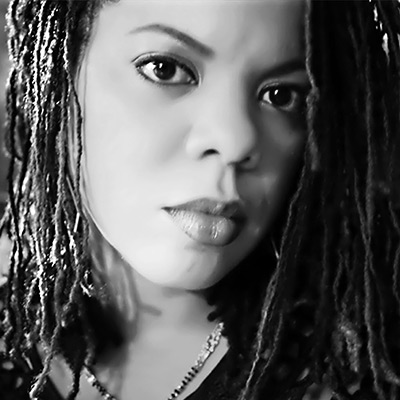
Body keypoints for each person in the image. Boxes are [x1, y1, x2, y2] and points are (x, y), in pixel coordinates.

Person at [0, 0, 399, 399]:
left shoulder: (359, 370)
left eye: (281, 95)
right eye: (165, 69)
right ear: (56, 72)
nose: (236, 140)